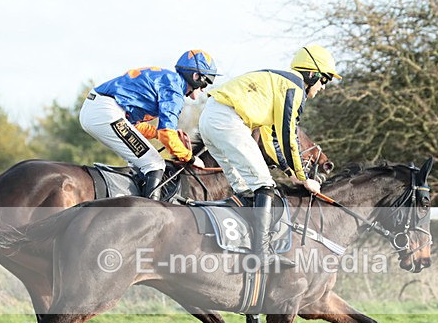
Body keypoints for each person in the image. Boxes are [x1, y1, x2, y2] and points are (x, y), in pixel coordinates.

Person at [198, 44, 341, 266]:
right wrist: (304, 177)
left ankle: (239, 244)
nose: (323, 87)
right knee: (264, 185)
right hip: (227, 121)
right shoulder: (294, 88)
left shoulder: (279, 84)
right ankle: (261, 253)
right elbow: (288, 137)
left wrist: (289, 172)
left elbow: (271, 139)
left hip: (210, 119)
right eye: (324, 80)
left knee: (244, 188)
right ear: (312, 74)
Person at [80, 50, 219, 200]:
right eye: (207, 82)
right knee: (154, 163)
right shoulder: (175, 91)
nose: (205, 88)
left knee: (140, 162)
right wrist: (190, 158)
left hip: (99, 109)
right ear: (196, 77)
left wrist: (157, 133)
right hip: (105, 111)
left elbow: (136, 127)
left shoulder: (169, 80)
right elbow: (167, 134)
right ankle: (151, 212)